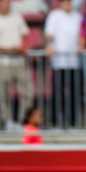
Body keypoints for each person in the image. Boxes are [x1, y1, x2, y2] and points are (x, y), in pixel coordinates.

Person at [44, 0, 82, 127]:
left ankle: (71, 122)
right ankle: (55, 121)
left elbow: (82, 36)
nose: (68, 4)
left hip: (74, 61)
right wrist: (48, 45)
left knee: (74, 93)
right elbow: (49, 34)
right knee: (58, 92)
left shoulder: (78, 16)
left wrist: (82, 46)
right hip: (59, 62)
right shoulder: (55, 15)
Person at [0, 0, 34, 129]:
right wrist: (8, 49)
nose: (6, 5)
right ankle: (8, 121)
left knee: (27, 92)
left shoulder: (17, 18)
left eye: (8, 2)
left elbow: (24, 35)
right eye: (4, 2)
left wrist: (21, 47)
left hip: (19, 61)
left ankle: (22, 122)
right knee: (3, 95)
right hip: (2, 63)